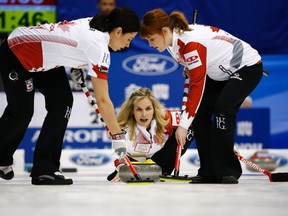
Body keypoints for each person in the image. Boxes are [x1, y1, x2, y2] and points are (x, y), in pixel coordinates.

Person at [0, 7, 140, 185]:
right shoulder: (99, 46)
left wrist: (77, 65)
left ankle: (45, 169)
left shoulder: (98, 24)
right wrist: (118, 138)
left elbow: (72, 42)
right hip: (17, 52)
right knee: (22, 111)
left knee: (63, 102)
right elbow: (103, 100)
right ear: (118, 31)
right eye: (129, 39)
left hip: (44, 58)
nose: (128, 45)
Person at [140, 9, 264, 184]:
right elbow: (195, 65)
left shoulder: (190, 43)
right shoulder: (170, 43)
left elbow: (197, 87)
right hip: (219, 72)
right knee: (199, 116)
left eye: (151, 39)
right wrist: (190, 66)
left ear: (165, 31)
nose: (150, 44)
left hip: (246, 67)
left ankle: (227, 171)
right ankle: (208, 171)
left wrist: (183, 126)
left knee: (223, 108)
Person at [107, 87, 194, 182]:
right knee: (114, 175)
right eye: (139, 109)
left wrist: (183, 127)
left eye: (148, 109)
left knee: (187, 128)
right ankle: (139, 172)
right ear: (132, 111)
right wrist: (120, 166)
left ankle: (152, 173)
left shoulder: (166, 118)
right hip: (133, 164)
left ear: (154, 109)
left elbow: (193, 119)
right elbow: (116, 152)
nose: (144, 114)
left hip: (160, 164)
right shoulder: (122, 126)